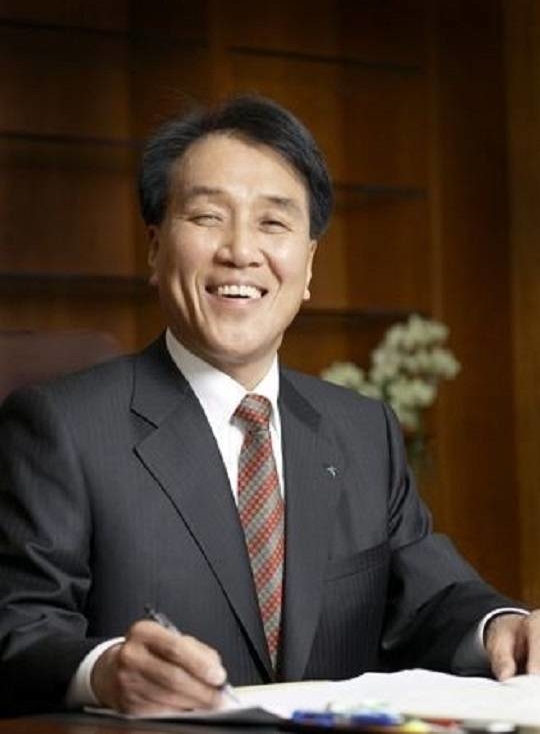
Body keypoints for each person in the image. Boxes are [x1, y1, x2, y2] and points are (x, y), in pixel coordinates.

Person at [0, 95, 538, 717]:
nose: (240, 251)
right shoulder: (60, 427)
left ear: (308, 265)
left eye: (273, 223)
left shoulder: (363, 429)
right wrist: (104, 671)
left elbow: (431, 599)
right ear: (154, 247)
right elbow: (19, 628)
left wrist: (504, 627)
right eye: (207, 217)